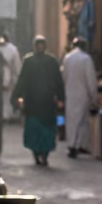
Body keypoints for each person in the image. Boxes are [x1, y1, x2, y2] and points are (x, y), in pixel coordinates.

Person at [14, 36, 65, 167]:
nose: (40, 47)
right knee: (34, 132)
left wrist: (60, 98)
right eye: (38, 45)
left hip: (48, 104)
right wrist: (17, 97)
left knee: (47, 132)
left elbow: (58, 81)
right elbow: (22, 81)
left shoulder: (52, 61)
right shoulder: (28, 61)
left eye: (42, 45)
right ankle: (37, 155)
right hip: (32, 103)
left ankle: (45, 155)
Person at [62, 36, 98, 158]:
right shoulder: (86, 59)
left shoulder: (67, 58)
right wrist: (94, 96)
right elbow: (91, 79)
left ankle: (73, 145)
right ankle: (79, 145)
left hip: (69, 93)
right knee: (82, 121)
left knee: (71, 120)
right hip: (83, 94)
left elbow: (64, 76)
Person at [0, 30, 22, 121]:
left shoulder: (12, 49)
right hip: (0, 75)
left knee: (7, 96)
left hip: (8, 75)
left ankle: (7, 115)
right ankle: (4, 114)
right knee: (2, 97)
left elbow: (16, 64)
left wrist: (17, 76)